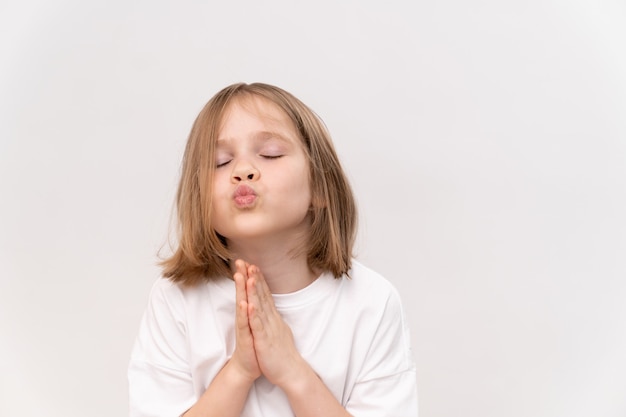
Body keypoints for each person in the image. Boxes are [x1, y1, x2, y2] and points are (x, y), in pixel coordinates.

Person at [128, 82, 418, 417]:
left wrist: (292, 371)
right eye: (220, 162)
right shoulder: (176, 298)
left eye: (270, 154)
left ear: (320, 188)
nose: (242, 171)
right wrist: (239, 371)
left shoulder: (371, 302)